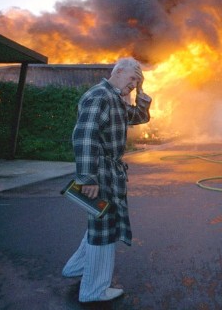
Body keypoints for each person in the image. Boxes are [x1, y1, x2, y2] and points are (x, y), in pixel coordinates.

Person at [61, 57, 152, 302]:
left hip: (109, 172)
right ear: (118, 71)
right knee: (104, 228)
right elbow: (84, 136)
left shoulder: (115, 97)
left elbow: (137, 118)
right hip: (100, 172)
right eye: (132, 78)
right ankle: (94, 291)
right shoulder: (99, 96)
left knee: (101, 220)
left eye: (138, 80)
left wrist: (140, 95)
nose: (134, 83)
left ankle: (76, 268)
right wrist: (87, 178)